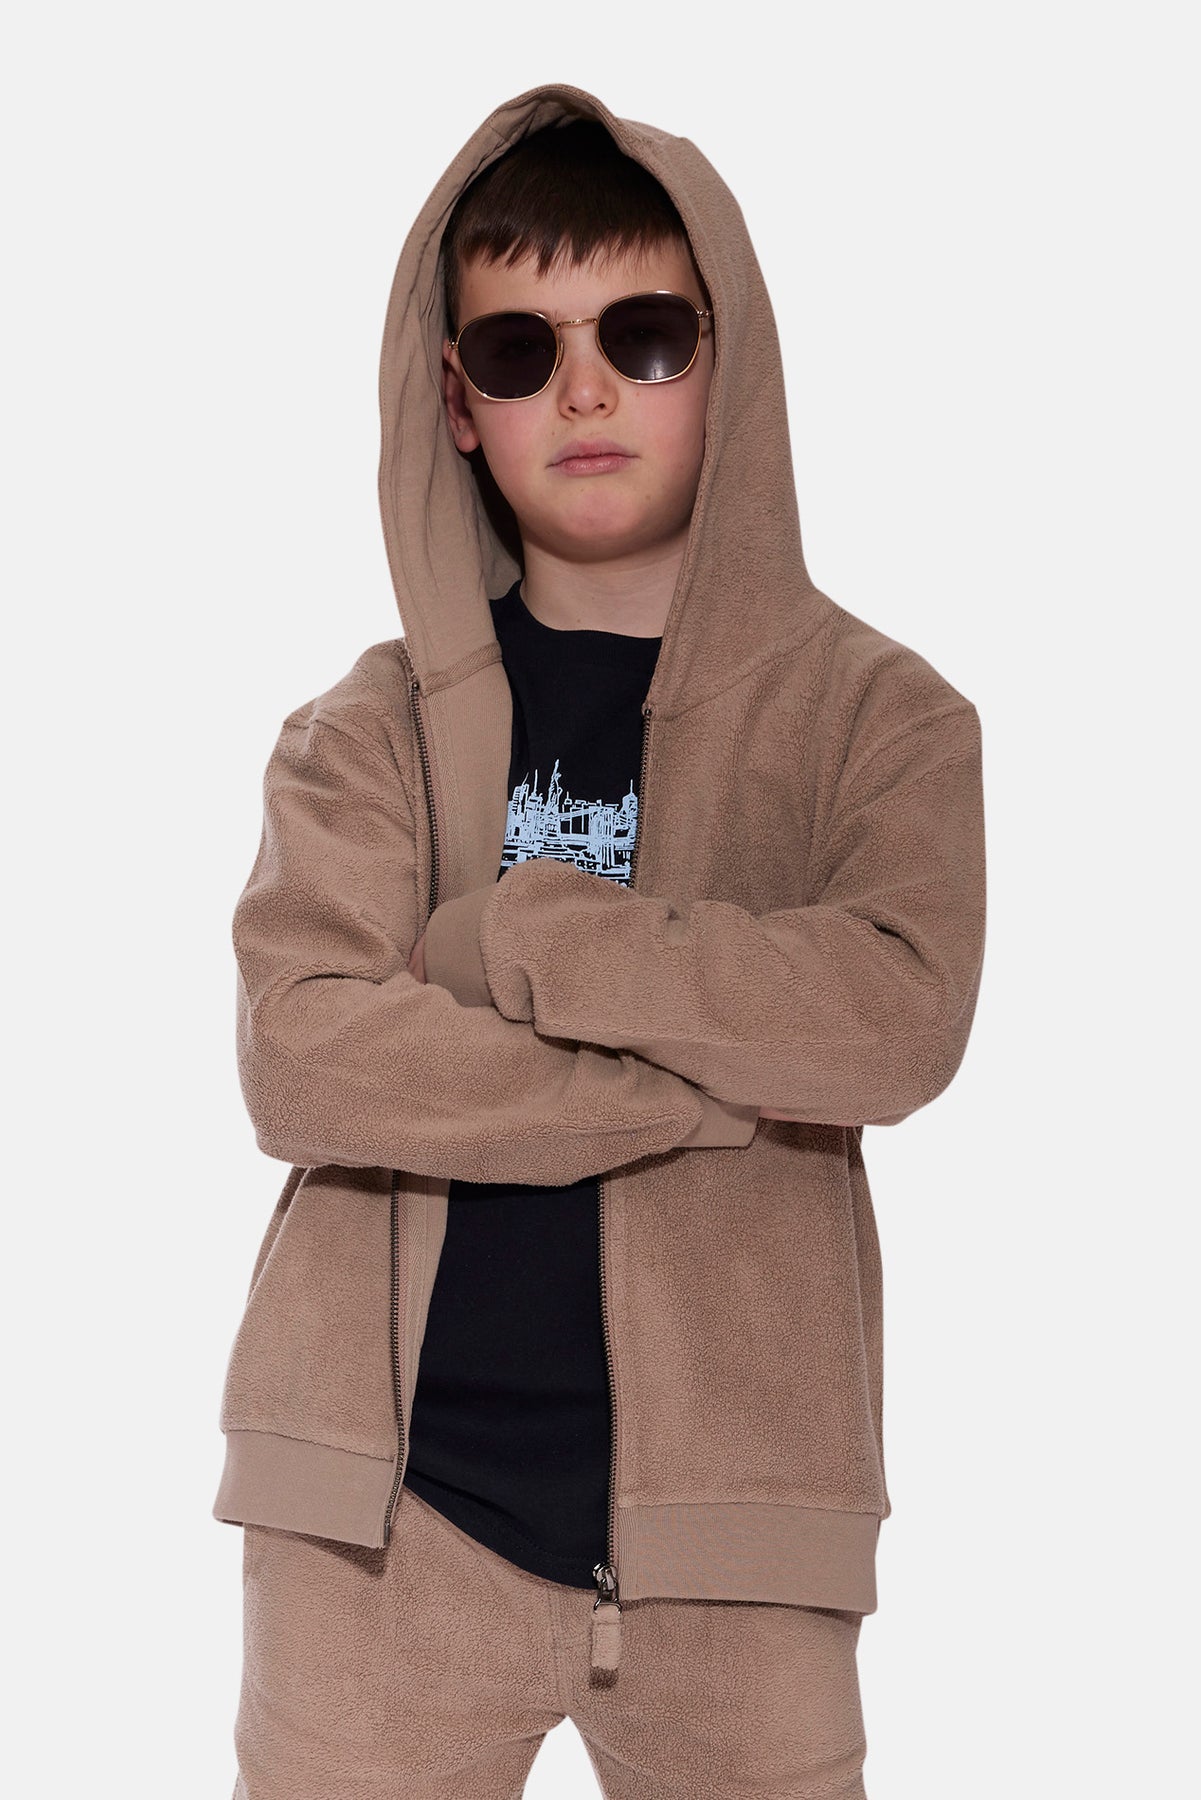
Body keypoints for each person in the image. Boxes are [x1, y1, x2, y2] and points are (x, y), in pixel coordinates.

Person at [214, 82, 987, 1800]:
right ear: (454, 401)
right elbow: (305, 1058)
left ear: (727, 360)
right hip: (373, 1531)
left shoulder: (883, 723)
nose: (583, 390)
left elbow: (892, 1018)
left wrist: (521, 935)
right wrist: (704, 1088)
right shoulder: (362, 735)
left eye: (642, 336)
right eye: (518, 350)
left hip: (741, 1541)